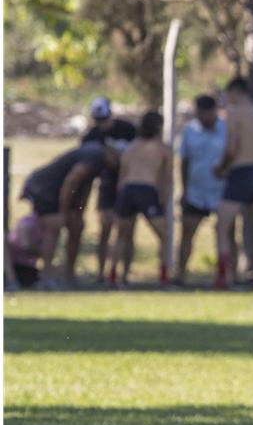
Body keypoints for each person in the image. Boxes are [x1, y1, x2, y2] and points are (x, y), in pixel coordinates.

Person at [18, 144, 115, 287]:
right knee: (53, 228)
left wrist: (78, 212)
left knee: (76, 228)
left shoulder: (98, 161)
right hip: (44, 188)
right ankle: (47, 276)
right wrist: (63, 213)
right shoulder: (96, 157)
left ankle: (68, 275)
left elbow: (83, 188)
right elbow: (71, 182)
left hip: (52, 190)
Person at [215, 77, 253, 290]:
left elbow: (232, 148)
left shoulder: (233, 113)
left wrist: (221, 168)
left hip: (240, 171)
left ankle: (223, 277)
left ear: (234, 91)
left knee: (221, 226)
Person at [108, 111, 172, 286]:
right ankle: (164, 276)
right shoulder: (163, 149)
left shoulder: (131, 146)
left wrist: (120, 199)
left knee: (121, 235)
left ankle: (114, 275)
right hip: (146, 190)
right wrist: (164, 202)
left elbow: (122, 177)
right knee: (165, 235)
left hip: (127, 190)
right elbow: (166, 180)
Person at [81, 96, 137, 284]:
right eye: (98, 120)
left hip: (127, 185)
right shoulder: (91, 136)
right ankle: (100, 273)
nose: (101, 124)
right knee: (105, 230)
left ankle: (125, 274)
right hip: (105, 185)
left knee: (127, 232)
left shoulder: (128, 130)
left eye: (104, 119)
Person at [176, 95, 227, 287]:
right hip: (196, 192)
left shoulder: (227, 129)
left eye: (202, 113)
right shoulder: (190, 131)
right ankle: (180, 274)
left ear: (212, 111)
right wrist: (184, 189)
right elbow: (184, 161)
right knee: (187, 232)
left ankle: (228, 275)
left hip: (221, 191)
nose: (200, 117)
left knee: (226, 233)